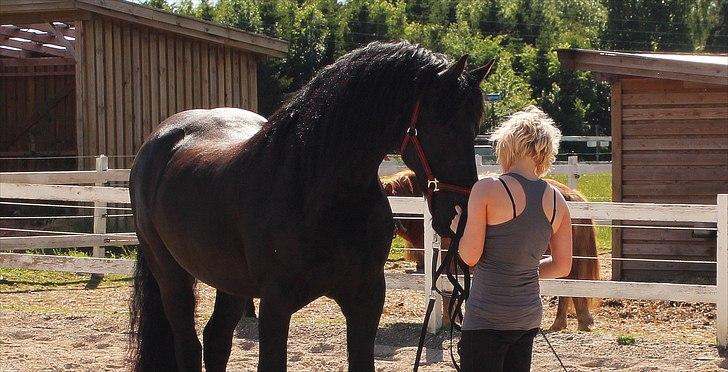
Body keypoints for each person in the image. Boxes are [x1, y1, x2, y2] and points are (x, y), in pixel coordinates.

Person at [450, 106, 573, 372]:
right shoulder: (557, 200)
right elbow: (563, 266)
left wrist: (461, 228)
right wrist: (522, 271)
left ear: (508, 144)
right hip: (526, 316)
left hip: (486, 316)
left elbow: (469, 256)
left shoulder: (487, 188)